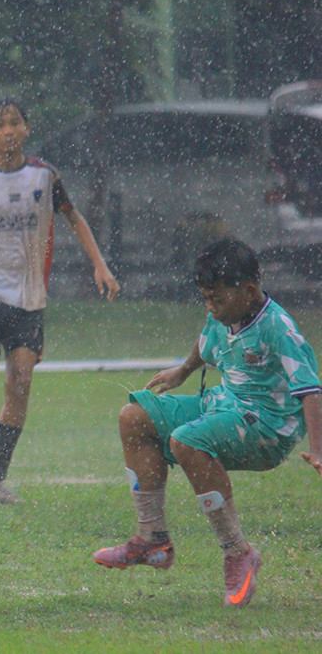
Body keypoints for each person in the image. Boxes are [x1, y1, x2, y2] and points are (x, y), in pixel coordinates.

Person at [93, 238, 322, 607]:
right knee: (134, 417)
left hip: (266, 428)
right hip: (224, 406)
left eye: (217, 300)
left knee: (186, 440)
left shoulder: (279, 328)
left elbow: (311, 389)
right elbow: (206, 344)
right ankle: (153, 539)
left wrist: (317, 449)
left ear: (249, 291)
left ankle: (238, 552)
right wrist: (183, 370)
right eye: (205, 299)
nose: (211, 309)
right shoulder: (223, 316)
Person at [0, 97, 120, 504]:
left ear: (26, 129)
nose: (8, 131)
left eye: (15, 123)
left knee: (19, 381)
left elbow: (74, 217)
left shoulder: (45, 177)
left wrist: (100, 265)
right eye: (0, 124)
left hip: (30, 299)